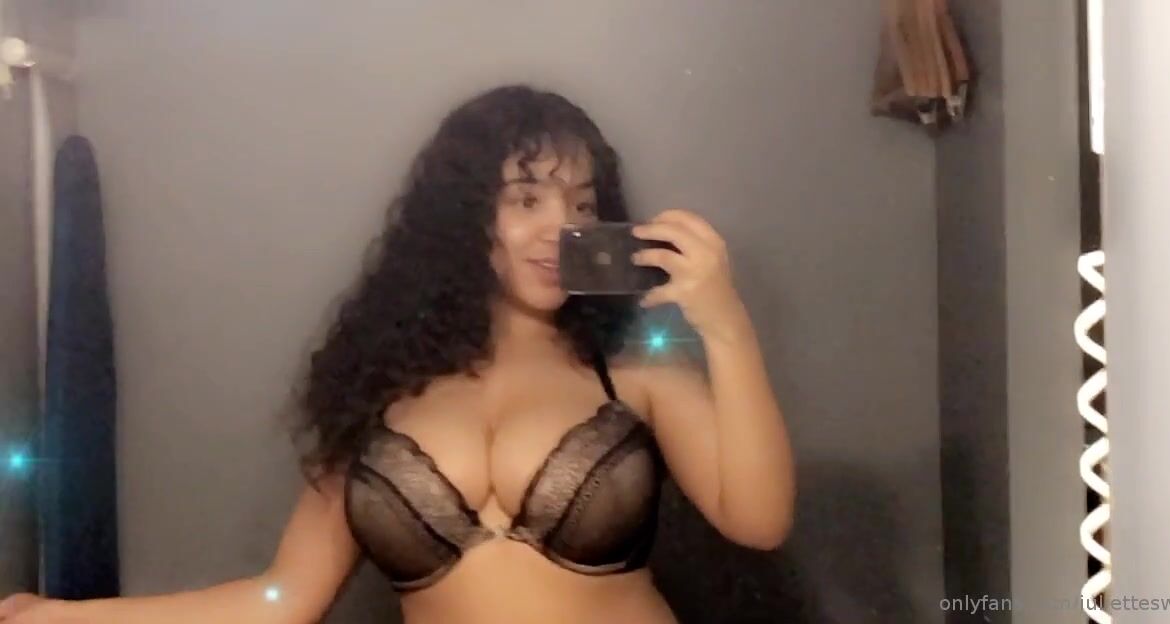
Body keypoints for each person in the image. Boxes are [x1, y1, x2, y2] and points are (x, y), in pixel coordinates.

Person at [0, 85, 795, 624]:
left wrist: (725, 323)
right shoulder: (376, 393)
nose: (561, 228)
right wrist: (64, 618)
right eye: (526, 199)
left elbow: (759, 521)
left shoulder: (634, 376)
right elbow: (283, 600)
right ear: (463, 216)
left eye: (582, 205)